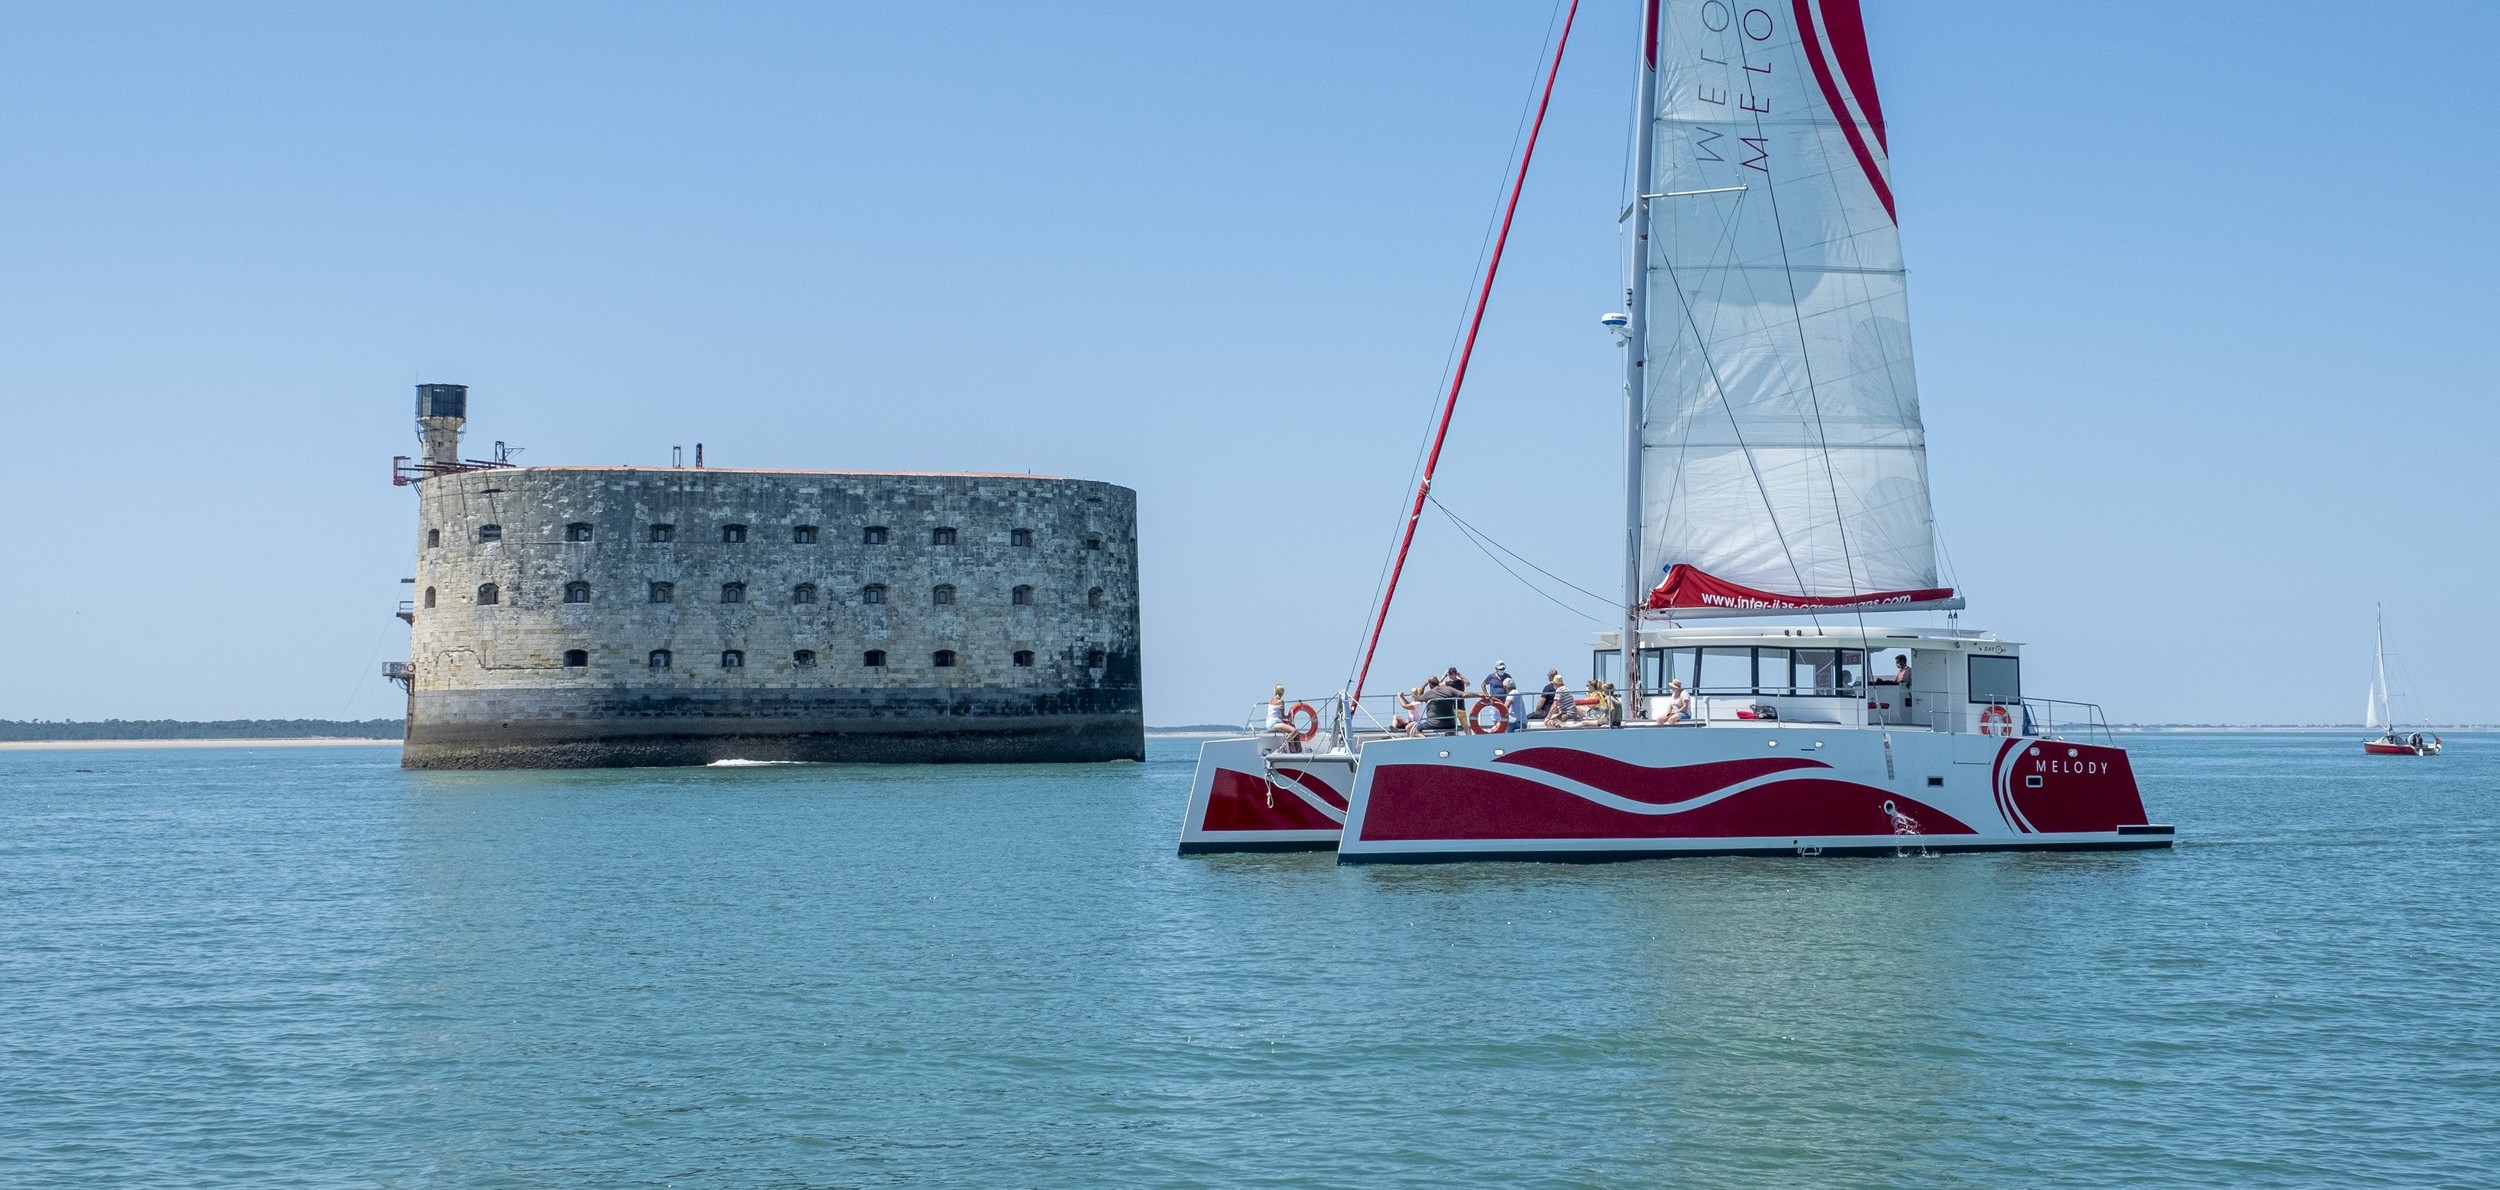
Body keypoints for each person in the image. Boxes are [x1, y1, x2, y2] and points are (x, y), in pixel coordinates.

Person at [1482, 661, 1517, 732]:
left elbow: (1512, 686)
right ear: (1496, 668)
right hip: (1494, 703)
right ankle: (1496, 734)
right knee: (1496, 721)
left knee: (1505, 721)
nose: (1502, 670)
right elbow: (1483, 685)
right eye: (1500, 669)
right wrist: (1486, 694)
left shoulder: (1508, 676)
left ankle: (1504, 733)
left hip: (1505, 702)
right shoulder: (1491, 677)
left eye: (1503, 668)